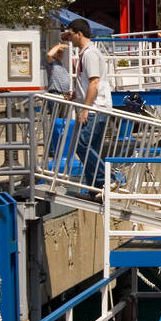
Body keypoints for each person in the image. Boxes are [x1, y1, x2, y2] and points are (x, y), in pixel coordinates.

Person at [68, 18, 112, 198]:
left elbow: (94, 82)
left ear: (79, 34)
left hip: (95, 107)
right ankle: (95, 187)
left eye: (71, 34)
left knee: (81, 145)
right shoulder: (85, 53)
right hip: (93, 106)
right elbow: (88, 82)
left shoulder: (89, 53)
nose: (69, 38)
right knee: (90, 147)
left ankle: (109, 178)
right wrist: (76, 96)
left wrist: (85, 108)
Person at [44, 29, 74, 99]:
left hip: (64, 95)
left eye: (62, 52)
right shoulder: (52, 63)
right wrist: (59, 46)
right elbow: (49, 55)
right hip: (55, 94)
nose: (61, 54)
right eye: (59, 52)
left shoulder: (61, 64)